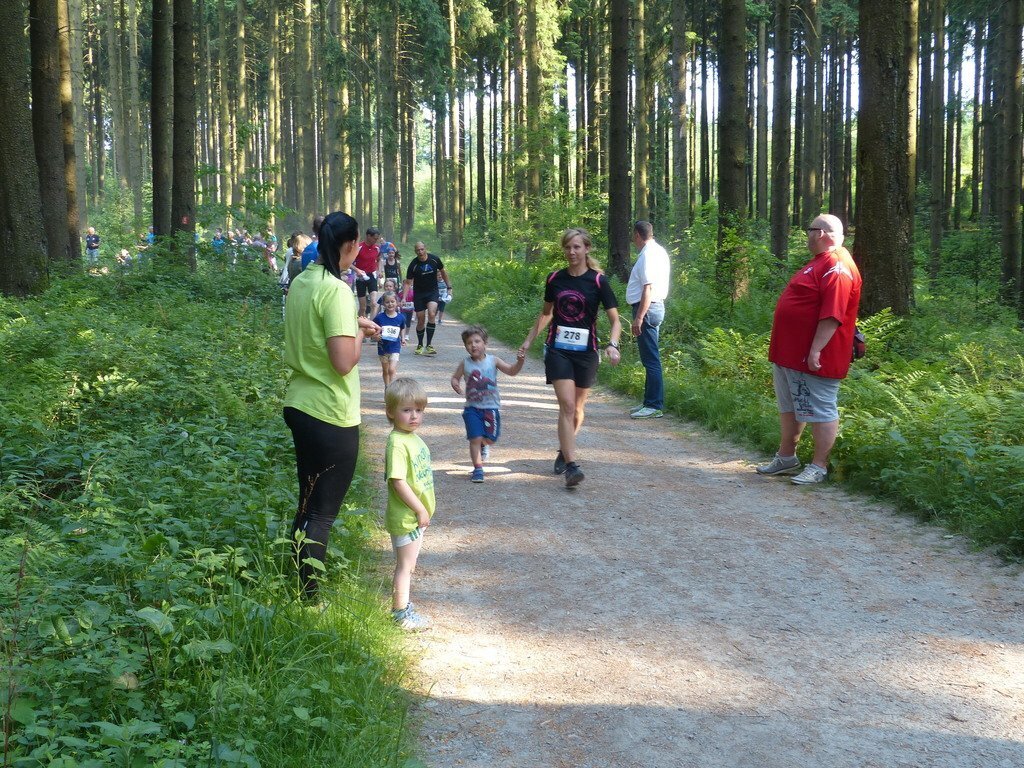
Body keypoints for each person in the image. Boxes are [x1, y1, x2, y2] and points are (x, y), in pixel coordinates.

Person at [282, 211, 381, 599]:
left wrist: (353, 324)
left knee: (306, 505)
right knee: (322, 513)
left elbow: (315, 328)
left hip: (299, 403)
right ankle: (310, 599)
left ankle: (297, 588)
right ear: (352, 245)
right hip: (330, 412)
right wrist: (360, 332)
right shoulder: (337, 290)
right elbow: (343, 362)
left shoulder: (302, 281)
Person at [756, 213, 862, 485]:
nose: (807, 235)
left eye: (809, 229)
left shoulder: (837, 267)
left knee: (820, 409)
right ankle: (786, 457)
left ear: (821, 234)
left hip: (814, 356)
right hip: (791, 354)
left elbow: (833, 314)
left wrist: (816, 350)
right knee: (791, 406)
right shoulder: (820, 262)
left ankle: (819, 466)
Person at [519, 228, 622, 488]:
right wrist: (529, 340)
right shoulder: (555, 278)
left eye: (576, 247)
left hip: (586, 352)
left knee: (576, 409)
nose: (572, 252)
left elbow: (615, 321)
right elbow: (546, 314)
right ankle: (572, 466)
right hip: (558, 350)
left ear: (587, 248)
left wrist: (612, 345)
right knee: (566, 405)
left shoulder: (598, 281)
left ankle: (564, 450)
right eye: (567, 247)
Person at [384, 377, 435, 631]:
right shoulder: (397, 443)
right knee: (405, 567)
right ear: (391, 412)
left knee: (409, 565)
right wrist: (420, 509)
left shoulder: (412, 438)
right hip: (407, 517)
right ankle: (400, 614)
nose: (414, 416)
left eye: (419, 410)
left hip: (414, 517)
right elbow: (398, 481)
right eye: (406, 410)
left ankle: (403, 608)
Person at [450, 325, 526, 482]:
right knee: (475, 438)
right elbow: (455, 377)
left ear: (485, 343)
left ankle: (485, 445)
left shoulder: (493, 361)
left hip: (491, 408)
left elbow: (512, 371)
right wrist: (455, 384)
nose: (473, 345)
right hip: (472, 408)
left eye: (477, 341)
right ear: (465, 346)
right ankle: (478, 469)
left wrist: (520, 362)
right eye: (469, 343)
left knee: (490, 439)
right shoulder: (465, 363)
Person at [626, 220, 671, 419]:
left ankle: (653, 405)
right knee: (649, 357)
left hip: (648, 309)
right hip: (652, 307)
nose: (633, 239)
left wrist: (639, 317)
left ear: (637, 234)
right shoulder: (658, 251)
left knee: (651, 359)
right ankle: (649, 401)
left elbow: (648, 288)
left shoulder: (648, 255)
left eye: (633, 235)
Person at [403, 241, 453, 356]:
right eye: (418, 250)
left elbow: (443, 272)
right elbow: (408, 282)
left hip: (432, 292)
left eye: (422, 249)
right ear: (415, 251)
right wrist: (404, 298)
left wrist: (449, 287)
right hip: (419, 294)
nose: (420, 252)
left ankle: (429, 345)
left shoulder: (434, 259)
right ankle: (420, 345)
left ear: (425, 248)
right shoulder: (413, 265)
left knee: (431, 313)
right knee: (420, 320)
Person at [373, 291, 407, 389]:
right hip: (382, 348)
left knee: (391, 369)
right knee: (385, 370)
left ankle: (392, 389)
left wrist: (403, 338)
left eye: (392, 301)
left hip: (395, 347)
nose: (390, 304)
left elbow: (402, 328)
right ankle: (387, 387)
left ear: (397, 303)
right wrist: (375, 336)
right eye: (387, 302)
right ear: (383, 304)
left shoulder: (401, 317)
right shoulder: (379, 318)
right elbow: (373, 329)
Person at [353, 227, 381, 318]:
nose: (376, 240)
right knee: (363, 308)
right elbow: (348, 262)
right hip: (361, 277)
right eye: (375, 238)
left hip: (372, 276)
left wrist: (379, 270)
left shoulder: (377, 248)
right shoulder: (359, 247)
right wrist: (357, 270)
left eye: (377, 238)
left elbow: (379, 259)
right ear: (368, 236)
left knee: (374, 304)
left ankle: (372, 324)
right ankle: (358, 324)